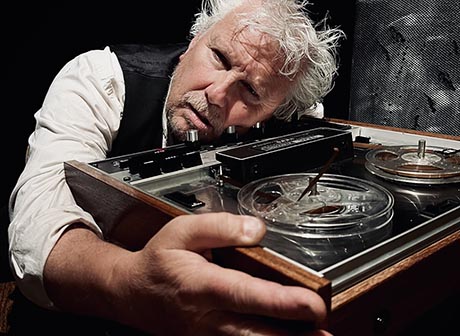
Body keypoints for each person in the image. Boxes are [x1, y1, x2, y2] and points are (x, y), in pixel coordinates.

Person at [7, 0, 344, 335]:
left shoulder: (289, 111)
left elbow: (311, 114)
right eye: (220, 58)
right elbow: (37, 230)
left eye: (251, 91)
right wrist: (128, 285)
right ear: (193, 42)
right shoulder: (101, 77)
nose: (217, 94)